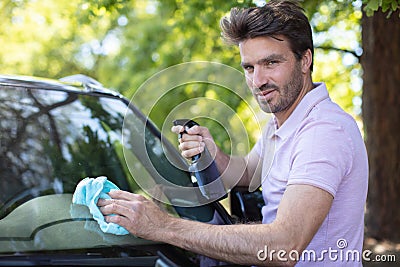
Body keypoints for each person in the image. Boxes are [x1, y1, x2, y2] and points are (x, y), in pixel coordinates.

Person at [98, 0, 368, 265]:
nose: (258, 81)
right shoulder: (281, 123)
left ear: (305, 59)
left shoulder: (323, 132)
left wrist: (162, 226)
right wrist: (212, 153)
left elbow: (284, 246)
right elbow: (249, 173)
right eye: (249, 68)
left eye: (271, 63)